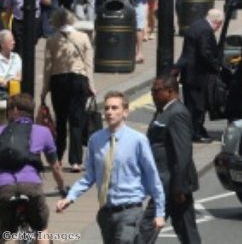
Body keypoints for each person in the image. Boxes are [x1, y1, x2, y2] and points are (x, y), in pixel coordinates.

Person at [57, 91, 165, 244]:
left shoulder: (138, 140)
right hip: (106, 213)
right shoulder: (95, 140)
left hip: (130, 211)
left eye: (115, 108)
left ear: (125, 112)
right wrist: (70, 197)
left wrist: (159, 212)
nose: (109, 112)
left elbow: (152, 177)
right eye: (107, 108)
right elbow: (89, 177)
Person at [137, 75, 200, 244]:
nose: (152, 95)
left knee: (147, 227)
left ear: (170, 91)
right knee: (186, 229)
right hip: (166, 181)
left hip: (171, 184)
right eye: (151, 91)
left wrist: (179, 188)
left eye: (156, 91)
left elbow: (183, 152)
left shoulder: (177, 113)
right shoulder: (164, 110)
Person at [0, 93, 66, 235]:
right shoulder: (43, 131)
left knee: (4, 232)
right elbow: (55, 166)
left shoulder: (1, 131)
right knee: (41, 229)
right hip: (31, 186)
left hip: (4, 187)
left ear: (14, 110)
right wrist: (62, 188)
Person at [41, 9, 95, 173]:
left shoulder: (51, 40)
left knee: (61, 121)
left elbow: (47, 67)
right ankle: (76, 161)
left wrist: (44, 90)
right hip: (79, 80)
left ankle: (57, 157)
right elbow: (89, 64)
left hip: (59, 81)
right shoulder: (83, 37)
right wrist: (91, 85)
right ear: (72, 20)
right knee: (77, 121)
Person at [175, 8, 224, 142]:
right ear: (217, 22)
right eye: (220, 25)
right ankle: (194, 132)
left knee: (191, 104)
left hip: (190, 74)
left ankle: (195, 130)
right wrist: (217, 67)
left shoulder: (197, 25)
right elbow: (205, 53)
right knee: (197, 106)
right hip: (198, 75)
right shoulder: (205, 31)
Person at [0, 29, 22, 106]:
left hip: (14, 94)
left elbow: (19, 76)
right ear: (2, 44)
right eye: (10, 41)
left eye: (13, 40)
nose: (13, 42)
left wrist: (8, 82)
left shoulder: (16, 57)